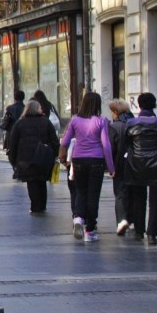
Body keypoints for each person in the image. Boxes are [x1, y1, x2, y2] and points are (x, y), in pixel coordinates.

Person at [59, 92, 116, 241]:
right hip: (96, 160)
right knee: (93, 195)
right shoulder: (101, 121)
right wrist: (111, 167)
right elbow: (106, 145)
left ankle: (78, 218)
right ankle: (90, 230)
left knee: (81, 191)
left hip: (78, 160)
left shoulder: (75, 120)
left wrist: (63, 157)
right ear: (97, 105)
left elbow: (65, 141)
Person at [123, 92, 157, 244]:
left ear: (139, 105)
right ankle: (152, 234)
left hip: (137, 164)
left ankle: (139, 231)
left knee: (138, 199)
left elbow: (126, 145)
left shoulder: (131, 123)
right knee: (155, 201)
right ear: (154, 104)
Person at [5, 99, 59, 214]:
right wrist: (54, 154)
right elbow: (54, 141)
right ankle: (42, 206)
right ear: (37, 109)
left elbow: (12, 144)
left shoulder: (19, 123)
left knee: (32, 182)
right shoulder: (45, 121)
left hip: (26, 160)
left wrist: (13, 161)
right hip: (43, 157)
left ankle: (35, 207)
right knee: (42, 180)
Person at [106, 99, 132, 235]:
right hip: (135, 165)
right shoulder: (134, 123)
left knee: (120, 194)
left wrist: (110, 167)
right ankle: (135, 222)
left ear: (116, 112)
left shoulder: (114, 127)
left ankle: (122, 220)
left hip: (120, 165)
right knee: (135, 193)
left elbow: (110, 148)